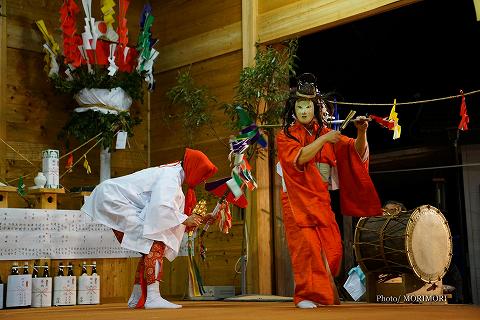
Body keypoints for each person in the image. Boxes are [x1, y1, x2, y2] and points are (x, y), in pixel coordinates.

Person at [276, 73, 381, 308]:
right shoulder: (285, 136)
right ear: (293, 110)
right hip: (296, 200)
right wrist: (323, 142)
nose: (303, 110)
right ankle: (305, 294)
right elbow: (299, 158)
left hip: (320, 199)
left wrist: (361, 133)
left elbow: (354, 151)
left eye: (308, 106)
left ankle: (321, 292)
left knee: (332, 251)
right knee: (306, 248)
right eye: (299, 106)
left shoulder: (326, 134)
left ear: (316, 108)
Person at [81, 148, 218, 309]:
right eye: (202, 175)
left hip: (113, 198)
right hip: (114, 200)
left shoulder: (174, 174)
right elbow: (161, 208)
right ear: (194, 168)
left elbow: (171, 212)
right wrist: (185, 219)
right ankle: (153, 297)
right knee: (154, 244)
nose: (202, 181)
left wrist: (195, 219)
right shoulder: (170, 177)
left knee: (148, 246)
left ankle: (136, 297)